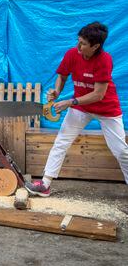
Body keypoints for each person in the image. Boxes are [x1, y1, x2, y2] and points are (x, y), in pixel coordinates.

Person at [25, 22, 128, 197]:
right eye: (78, 41)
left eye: (83, 44)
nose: (78, 46)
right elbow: (62, 76)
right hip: (80, 107)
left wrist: (70, 102)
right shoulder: (72, 54)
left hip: (106, 109)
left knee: (121, 151)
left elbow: (98, 95)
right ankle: (45, 184)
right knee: (61, 142)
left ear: (95, 46)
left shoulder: (105, 59)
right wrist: (57, 91)